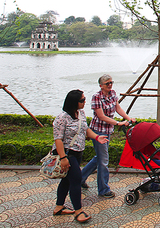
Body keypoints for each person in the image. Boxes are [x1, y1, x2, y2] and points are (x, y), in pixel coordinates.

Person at [52, 89, 109, 224]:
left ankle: (59, 207)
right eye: (82, 100)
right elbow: (58, 139)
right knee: (76, 180)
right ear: (74, 102)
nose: (84, 102)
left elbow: (85, 129)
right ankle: (78, 211)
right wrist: (63, 158)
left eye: (84, 99)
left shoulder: (81, 113)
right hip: (67, 153)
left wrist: (96, 137)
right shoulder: (62, 118)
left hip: (77, 152)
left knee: (66, 180)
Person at [81, 74, 135, 198]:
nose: (110, 85)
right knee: (103, 160)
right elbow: (101, 116)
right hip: (98, 131)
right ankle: (103, 190)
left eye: (111, 82)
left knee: (99, 158)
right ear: (101, 86)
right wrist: (118, 123)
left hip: (108, 130)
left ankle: (80, 178)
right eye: (107, 83)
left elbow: (118, 108)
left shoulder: (112, 93)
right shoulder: (96, 97)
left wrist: (128, 118)